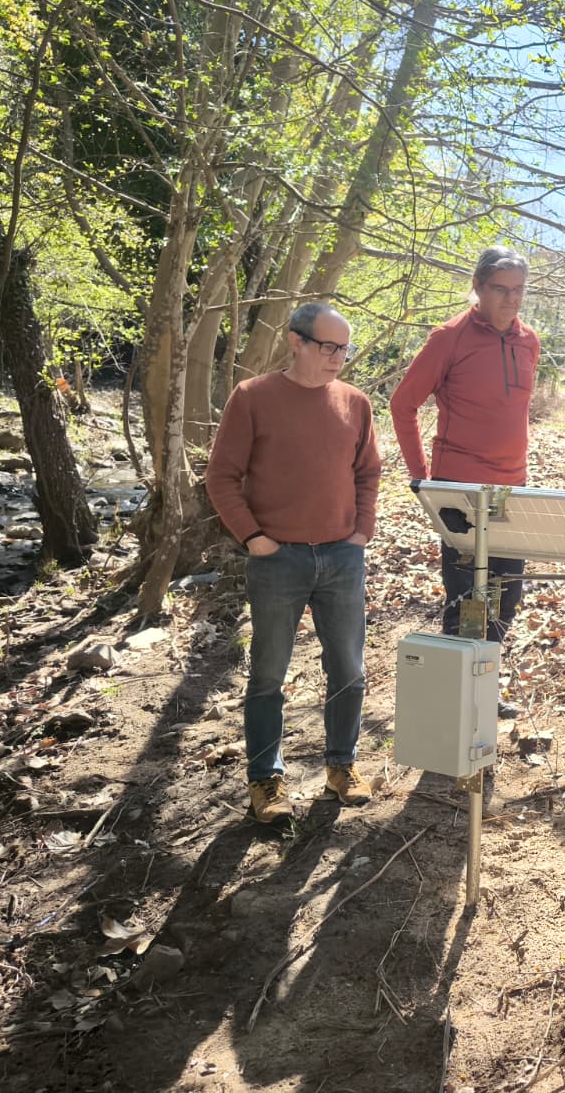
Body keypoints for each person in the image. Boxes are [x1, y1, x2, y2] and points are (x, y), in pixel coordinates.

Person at [207, 302, 382, 826]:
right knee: (268, 673)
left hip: (342, 556)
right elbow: (221, 476)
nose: (337, 357)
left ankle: (341, 766)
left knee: (349, 669)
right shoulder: (253, 397)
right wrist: (253, 537)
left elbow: (368, 473)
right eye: (328, 346)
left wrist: (362, 530)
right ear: (296, 341)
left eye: (344, 348)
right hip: (277, 559)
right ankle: (266, 779)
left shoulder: (355, 402)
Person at [390, 246, 539, 664]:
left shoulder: (529, 341)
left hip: (511, 489)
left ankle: (484, 684)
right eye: (500, 289)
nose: (511, 299)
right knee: (465, 603)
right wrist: (425, 482)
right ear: (477, 286)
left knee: (506, 598)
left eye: (518, 289)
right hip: (458, 489)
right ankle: (456, 693)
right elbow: (402, 405)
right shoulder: (449, 337)